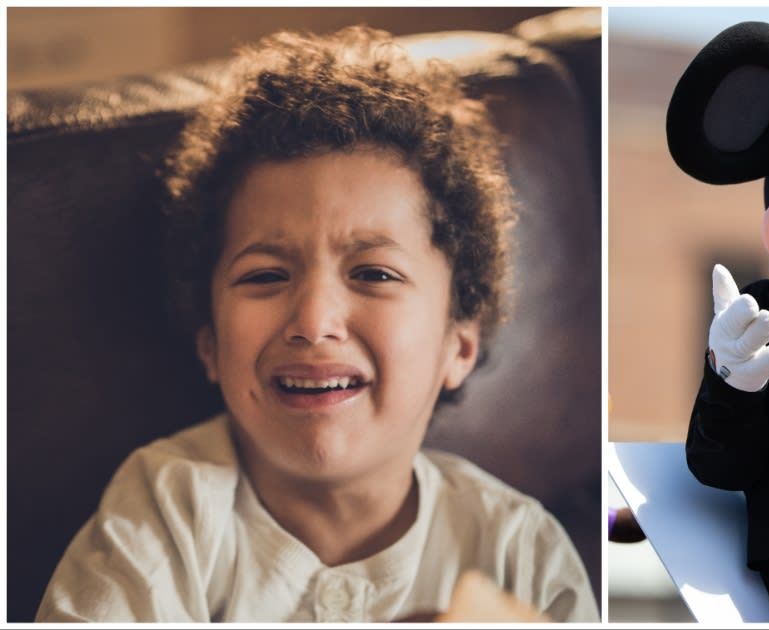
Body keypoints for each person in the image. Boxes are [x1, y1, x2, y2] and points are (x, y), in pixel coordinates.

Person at [36, 26, 597, 623]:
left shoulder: (522, 552)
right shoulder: (168, 507)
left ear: (457, 347)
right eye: (264, 276)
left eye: (375, 274)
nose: (313, 320)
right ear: (210, 343)